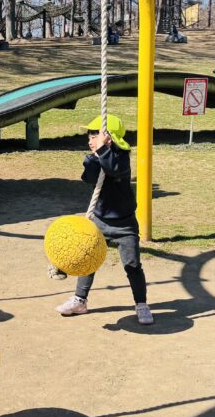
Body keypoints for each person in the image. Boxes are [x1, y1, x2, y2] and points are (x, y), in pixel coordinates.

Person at [55, 114, 153, 325]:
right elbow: (88, 178)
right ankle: (80, 300)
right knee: (88, 260)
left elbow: (115, 169)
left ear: (109, 137)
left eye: (94, 136)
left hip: (124, 225)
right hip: (99, 221)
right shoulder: (96, 157)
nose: (90, 140)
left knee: (132, 265)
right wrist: (93, 158)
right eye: (89, 136)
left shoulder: (121, 157)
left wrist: (102, 150)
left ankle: (141, 304)